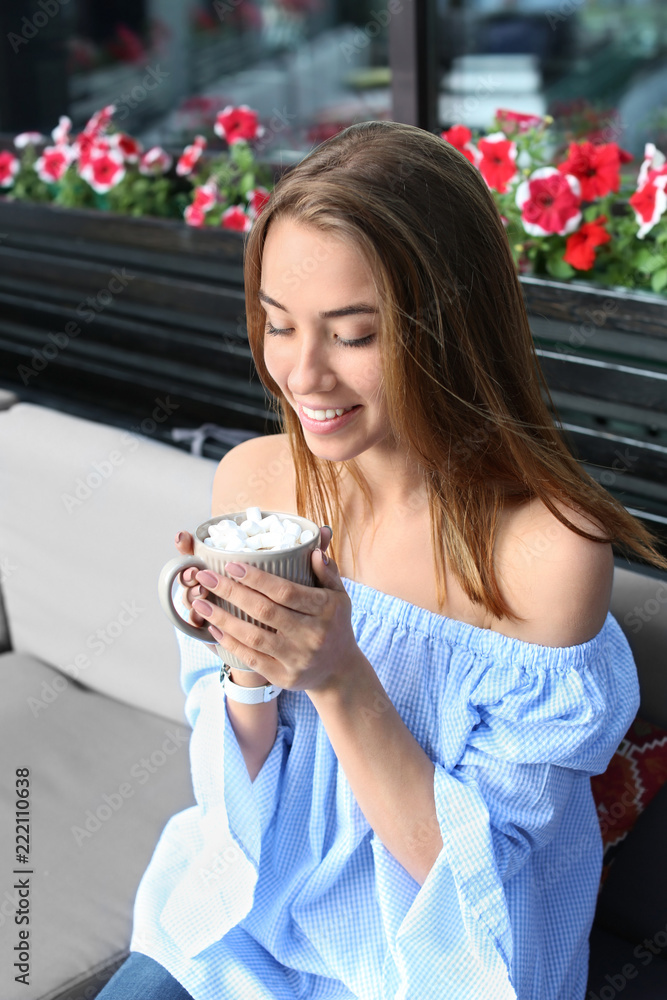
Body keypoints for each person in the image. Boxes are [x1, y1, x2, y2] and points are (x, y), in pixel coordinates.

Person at [97, 119, 667, 1000]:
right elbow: (236, 811)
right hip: (245, 916)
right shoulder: (257, 482)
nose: (302, 374)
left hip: (430, 966)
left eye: (353, 335)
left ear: (452, 328)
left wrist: (337, 677)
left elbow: (478, 892)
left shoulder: (548, 554)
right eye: (279, 325)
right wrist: (243, 666)